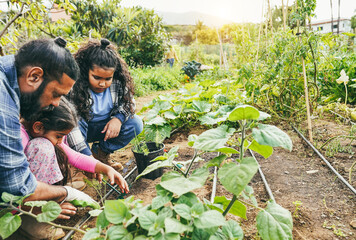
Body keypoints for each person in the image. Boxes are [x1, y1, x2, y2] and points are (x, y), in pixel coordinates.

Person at [0, 38, 96, 239]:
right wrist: (65, 192)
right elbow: (18, 187)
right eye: (55, 94)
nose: (55, 104)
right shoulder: (3, 105)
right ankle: (28, 221)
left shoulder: (8, 74)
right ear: (34, 76)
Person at [21, 98, 129, 193]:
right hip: (21, 197)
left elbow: (76, 157)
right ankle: (43, 199)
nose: (60, 141)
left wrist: (106, 169)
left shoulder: (44, 135)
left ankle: (48, 195)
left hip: (32, 190)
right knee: (43, 146)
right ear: (38, 127)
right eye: (58, 136)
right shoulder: (21, 138)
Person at [67, 39, 143, 168]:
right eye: (96, 77)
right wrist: (87, 159)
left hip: (105, 128)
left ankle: (101, 153)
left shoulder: (119, 83)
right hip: (82, 129)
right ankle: (80, 164)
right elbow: (72, 125)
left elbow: (129, 104)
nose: (102, 83)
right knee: (71, 124)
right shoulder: (76, 85)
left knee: (135, 123)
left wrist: (118, 119)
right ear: (86, 72)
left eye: (108, 78)